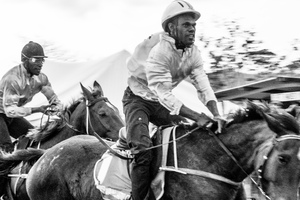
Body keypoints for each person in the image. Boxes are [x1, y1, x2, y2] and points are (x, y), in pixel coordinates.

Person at [122, 1, 225, 199]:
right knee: (142, 151)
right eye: (187, 25)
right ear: (171, 27)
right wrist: (197, 116)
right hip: (137, 99)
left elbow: (203, 86)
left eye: (194, 25)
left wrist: (217, 115)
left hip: (160, 103)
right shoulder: (159, 51)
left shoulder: (193, 53)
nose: (192, 29)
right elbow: (164, 94)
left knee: (187, 138)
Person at [0, 41, 63, 153]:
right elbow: (10, 111)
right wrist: (37, 109)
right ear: (24, 60)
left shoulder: (42, 79)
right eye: (35, 60)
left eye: (42, 60)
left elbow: (54, 99)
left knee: (35, 139)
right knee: (6, 150)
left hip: (10, 117)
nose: (40, 64)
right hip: (4, 114)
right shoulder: (12, 79)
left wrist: (59, 110)